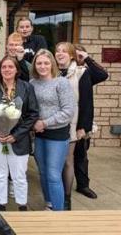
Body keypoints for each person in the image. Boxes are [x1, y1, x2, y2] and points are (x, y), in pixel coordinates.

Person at [0, 56, 39, 211]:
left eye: (10, 67)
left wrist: (16, 135)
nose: (7, 70)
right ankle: (1, 206)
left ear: (16, 69)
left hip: (18, 139)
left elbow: (33, 114)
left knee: (19, 175)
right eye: (3, 67)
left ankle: (22, 206)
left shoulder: (26, 88)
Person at [55, 42, 109, 209]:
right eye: (57, 51)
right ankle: (55, 194)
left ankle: (67, 198)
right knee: (57, 162)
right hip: (55, 122)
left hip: (74, 122)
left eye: (64, 51)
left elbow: (86, 102)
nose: (60, 53)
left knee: (69, 160)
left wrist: (83, 127)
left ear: (72, 55)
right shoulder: (53, 72)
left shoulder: (81, 72)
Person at [30, 49, 75, 211]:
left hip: (57, 135)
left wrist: (45, 123)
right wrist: (34, 123)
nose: (42, 66)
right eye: (39, 63)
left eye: (46, 63)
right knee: (42, 172)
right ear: (35, 64)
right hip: (39, 135)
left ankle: (59, 212)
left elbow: (68, 111)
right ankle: (49, 204)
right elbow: (30, 108)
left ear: (52, 64)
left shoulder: (61, 82)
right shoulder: (32, 83)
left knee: (53, 175)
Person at [73, 44, 107, 200]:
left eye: (77, 55)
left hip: (82, 120)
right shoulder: (63, 72)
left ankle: (83, 185)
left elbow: (102, 74)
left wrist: (87, 58)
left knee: (81, 154)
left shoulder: (86, 73)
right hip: (66, 120)